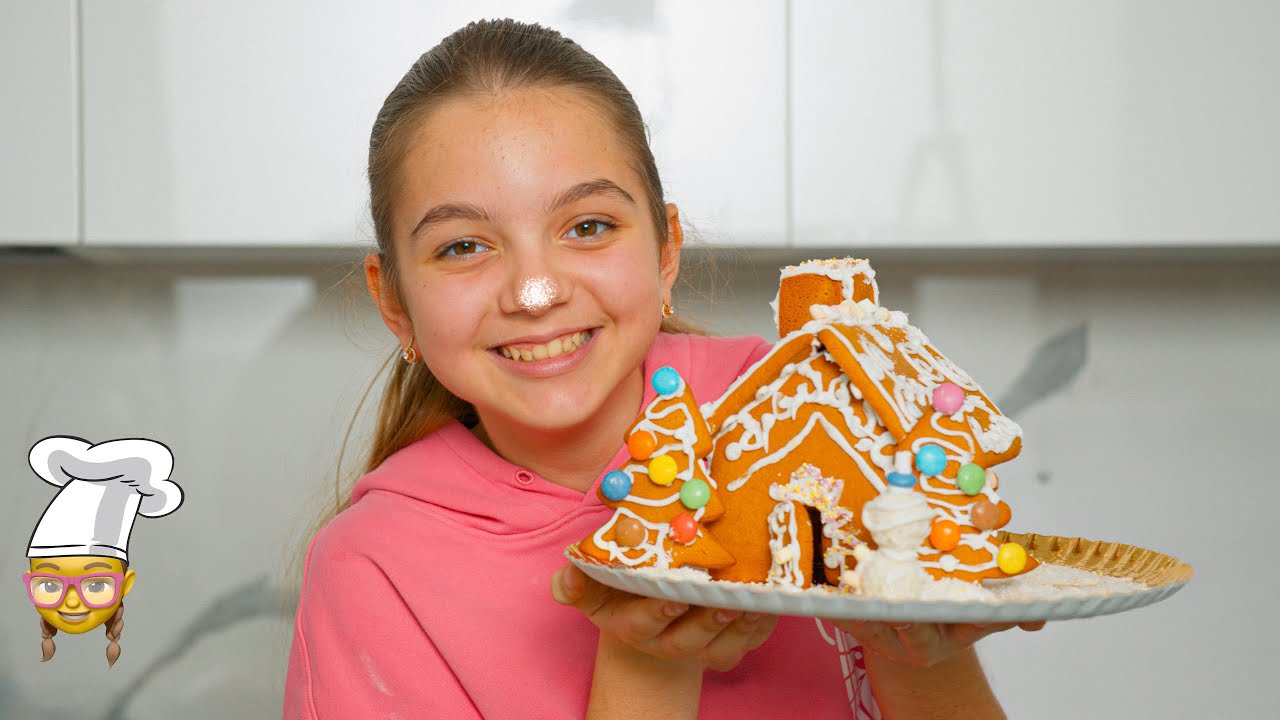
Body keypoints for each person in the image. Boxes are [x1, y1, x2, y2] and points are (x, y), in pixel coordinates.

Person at [282, 18, 1041, 719]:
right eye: (463, 246)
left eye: (587, 227)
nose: (535, 293)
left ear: (666, 249)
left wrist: (916, 642)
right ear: (394, 303)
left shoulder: (804, 420)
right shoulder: (370, 568)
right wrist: (648, 663)